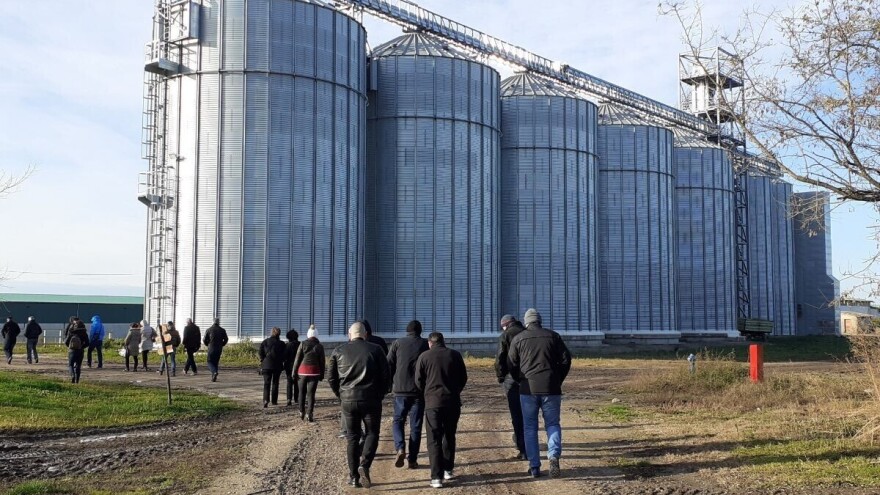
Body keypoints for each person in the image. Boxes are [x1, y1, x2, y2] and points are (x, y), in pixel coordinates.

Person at [508, 308, 571, 479]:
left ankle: (534, 466)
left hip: (528, 389)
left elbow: (511, 364)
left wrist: (520, 379)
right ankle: (553, 456)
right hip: (551, 388)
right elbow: (566, 359)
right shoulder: (553, 336)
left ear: (526, 321)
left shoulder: (518, 339)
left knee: (529, 427)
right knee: (552, 424)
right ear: (540, 321)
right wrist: (558, 379)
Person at [328, 322, 390, 489]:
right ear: (365, 334)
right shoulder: (376, 350)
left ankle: (354, 476)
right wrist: (381, 394)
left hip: (348, 400)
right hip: (371, 399)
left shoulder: (338, 351)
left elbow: (332, 378)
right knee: (372, 433)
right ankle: (365, 463)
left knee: (353, 438)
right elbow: (386, 376)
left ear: (350, 334)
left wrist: (340, 395)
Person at [415, 332, 468, 489]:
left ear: (430, 343)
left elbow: (418, 381)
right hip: (452, 401)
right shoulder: (455, 355)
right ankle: (448, 469)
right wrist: (455, 391)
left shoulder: (424, 357)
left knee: (433, 439)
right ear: (443, 342)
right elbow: (463, 377)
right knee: (449, 435)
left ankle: (436, 477)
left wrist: (427, 393)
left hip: (433, 403)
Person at [388, 319, 430, 469]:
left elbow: (389, 365)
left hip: (400, 389)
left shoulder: (397, 343)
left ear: (407, 331)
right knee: (416, 426)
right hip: (419, 391)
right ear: (420, 331)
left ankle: (400, 447)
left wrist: (389, 384)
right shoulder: (426, 344)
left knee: (398, 420)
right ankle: (412, 459)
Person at [494, 314, 527, 459]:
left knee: (516, 414)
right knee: (528, 413)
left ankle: (522, 448)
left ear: (505, 324)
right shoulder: (527, 333)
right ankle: (528, 444)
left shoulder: (505, 335)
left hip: (511, 379)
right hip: (528, 378)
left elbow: (500, 358)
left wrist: (501, 376)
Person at [293, 325, 326, 421]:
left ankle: (301, 411)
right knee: (311, 394)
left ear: (308, 334)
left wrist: (294, 372)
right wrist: (322, 374)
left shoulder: (303, 344)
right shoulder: (320, 346)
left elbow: (297, 359)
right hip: (314, 372)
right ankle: (309, 413)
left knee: (301, 393)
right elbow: (322, 362)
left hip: (302, 372)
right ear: (317, 335)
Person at [259, 327, 287, 408]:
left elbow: (260, 352)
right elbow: (284, 355)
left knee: (266, 383)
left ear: (271, 332)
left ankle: (265, 400)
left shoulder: (265, 341)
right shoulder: (282, 344)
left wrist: (263, 360)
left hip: (266, 365)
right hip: (277, 366)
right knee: (275, 383)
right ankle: (274, 401)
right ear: (279, 334)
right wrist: (281, 360)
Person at [284, 329, 300, 406]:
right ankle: (296, 398)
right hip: (298, 366)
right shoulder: (300, 344)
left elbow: (284, 356)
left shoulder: (287, 345)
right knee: (297, 382)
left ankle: (289, 399)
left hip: (289, 366)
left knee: (289, 382)